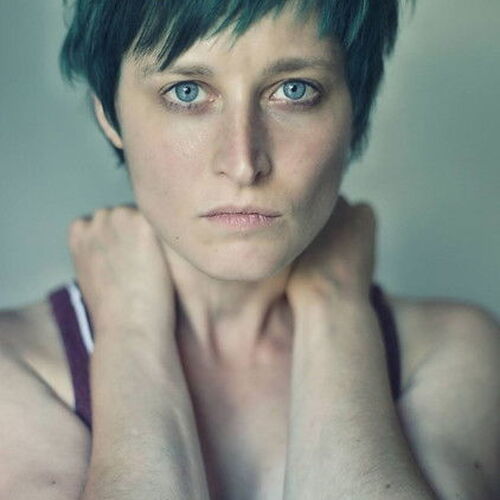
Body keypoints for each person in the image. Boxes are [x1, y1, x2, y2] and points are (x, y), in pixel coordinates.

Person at [0, 0, 499, 498]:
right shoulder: (19, 369)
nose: (243, 163)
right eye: (187, 91)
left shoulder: (449, 354)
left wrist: (336, 308)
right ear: (110, 115)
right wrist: (129, 337)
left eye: (294, 90)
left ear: (355, 108)